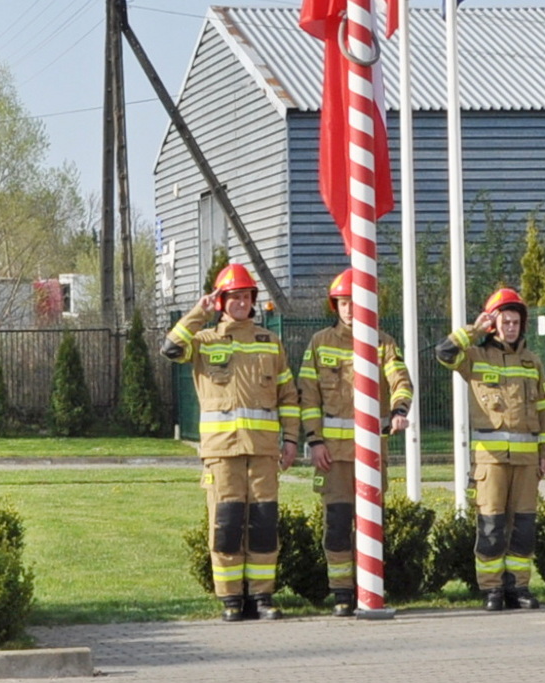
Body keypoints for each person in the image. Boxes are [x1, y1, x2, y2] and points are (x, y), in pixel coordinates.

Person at [165, 262, 301, 620]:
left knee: (263, 525)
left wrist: (290, 440)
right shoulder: (204, 341)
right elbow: (171, 348)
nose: (241, 303)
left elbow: (288, 397)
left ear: (253, 301)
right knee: (225, 525)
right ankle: (230, 600)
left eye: (246, 297)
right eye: (233, 297)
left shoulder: (270, 343)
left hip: (263, 452)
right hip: (222, 453)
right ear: (221, 301)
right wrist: (199, 311)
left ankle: (261, 597)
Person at [291, 269, 411, 615]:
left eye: (355, 302)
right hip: (333, 456)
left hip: (371, 455)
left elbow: (401, 380)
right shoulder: (320, 343)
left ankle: (369, 588)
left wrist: (400, 409)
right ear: (335, 306)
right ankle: (342, 593)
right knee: (337, 525)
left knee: (371, 526)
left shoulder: (383, 343)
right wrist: (314, 441)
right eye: (343, 303)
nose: (349, 309)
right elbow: (308, 397)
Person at [437, 286, 545, 611]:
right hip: (489, 463)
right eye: (505, 322)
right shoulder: (475, 358)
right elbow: (444, 352)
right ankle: (491, 590)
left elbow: (544, 411)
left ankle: (519, 588)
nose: (511, 327)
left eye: (516, 322)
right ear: (494, 324)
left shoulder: (532, 363)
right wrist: (474, 330)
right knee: (491, 526)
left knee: (524, 528)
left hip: (527, 463)